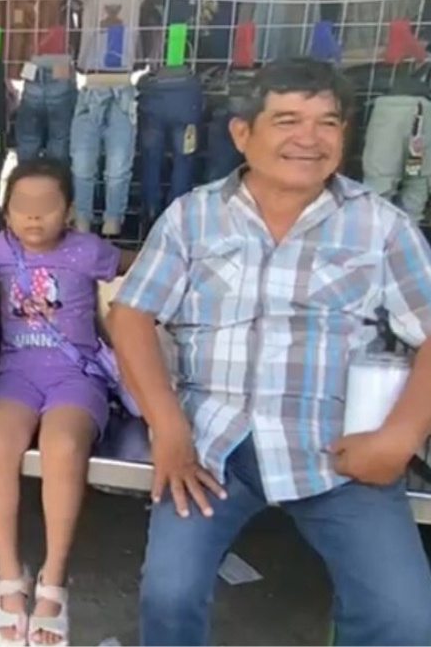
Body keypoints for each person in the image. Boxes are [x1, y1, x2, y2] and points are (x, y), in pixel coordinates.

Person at [108, 58, 431, 646]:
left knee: (404, 617)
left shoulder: (379, 226)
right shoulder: (193, 216)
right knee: (169, 594)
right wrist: (169, 427)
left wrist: (398, 439)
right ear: (241, 133)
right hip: (211, 450)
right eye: (286, 120)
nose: (308, 139)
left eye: (327, 123)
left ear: (345, 135)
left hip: (337, 451)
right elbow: (130, 316)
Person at [0, 159, 134, 646]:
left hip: (76, 377)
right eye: (22, 207)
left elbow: (138, 267)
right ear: (5, 212)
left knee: (64, 446)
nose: (34, 218)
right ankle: (9, 577)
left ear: (69, 211)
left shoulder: (91, 251)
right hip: (14, 376)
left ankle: (54, 578)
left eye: (47, 208)